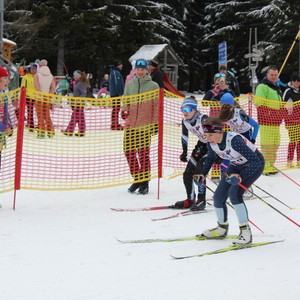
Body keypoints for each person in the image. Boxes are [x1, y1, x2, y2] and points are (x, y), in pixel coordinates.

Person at [194, 117, 264, 245]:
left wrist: (240, 177)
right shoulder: (211, 143)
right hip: (235, 165)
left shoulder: (234, 141)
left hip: (253, 165)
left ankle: (245, 232)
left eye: (210, 135)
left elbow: (256, 161)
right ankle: (221, 228)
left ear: (219, 131)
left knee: (234, 194)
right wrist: (202, 174)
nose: (208, 138)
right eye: (206, 135)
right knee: (218, 197)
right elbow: (210, 158)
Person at [121, 58, 159, 195]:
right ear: (135, 70)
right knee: (128, 151)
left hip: (145, 126)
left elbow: (156, 106)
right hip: (131, 125)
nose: (140, 71)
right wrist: (124, 110)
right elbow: (125, 99)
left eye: (143, 69)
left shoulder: (153, 86)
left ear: (146, 70)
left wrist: (155, 123)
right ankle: (137, 178)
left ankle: (145, 182)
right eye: (138, 69)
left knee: (143, 154)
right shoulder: (130, 85)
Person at [174, 97, 208, 210]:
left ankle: (201, 200)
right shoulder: (185, 121)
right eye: (182, 109)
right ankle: (191, 199)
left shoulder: (203, 119)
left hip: (213, 147)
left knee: (199, 172)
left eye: (187, 110)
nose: (184, 112)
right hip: (202, 145)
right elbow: (184, 137)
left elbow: (216, 134)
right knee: (187, 173)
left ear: (194, 110)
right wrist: (184, 152)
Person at [254, 65, 283, 175]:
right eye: (272, 75)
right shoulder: (263, 87)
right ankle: (265, 166)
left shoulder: (276, 87)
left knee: (275, 143)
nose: (274, 77)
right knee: (268, 144)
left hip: (276, 122)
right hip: (267, 121)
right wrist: (271, 113)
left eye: (276, 75)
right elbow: (259, 103)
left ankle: (271, 164)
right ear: (267, 75)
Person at [62, 70, 89, 137]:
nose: (73, 77)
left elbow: (83, 94)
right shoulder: (78, 83)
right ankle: (82, 131)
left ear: (78, 76)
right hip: (77, 103)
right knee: (80, 118)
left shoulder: (81, 84)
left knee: (74, 118)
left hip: (78, 104)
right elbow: (74, 87)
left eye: (74, 75)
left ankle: (69, 131)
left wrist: (77, 100)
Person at [34, 59, 56, 138]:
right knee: (47, 115)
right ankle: (51, 131)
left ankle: (42, 132)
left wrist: (40, 95)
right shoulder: (51, 76)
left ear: (39, 66)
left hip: (39, 98)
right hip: (47, 98)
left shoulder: (37, 75)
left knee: (40, 115)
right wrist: (49, 96)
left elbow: (37, 88)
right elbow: (53, 88)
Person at [282, 72, 300, 168]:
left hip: (299, 120)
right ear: (291, 81)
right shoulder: (288, 91)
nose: (296, 82)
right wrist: (286, 118)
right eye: (294, 80)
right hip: (291, 120)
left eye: (298, 81)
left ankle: (299, 160)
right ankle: (289, 160)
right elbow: (283, 104)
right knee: (293, 140)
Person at [0, 67, 13, 170]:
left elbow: (5, 114)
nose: (7, 81)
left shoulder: (3, 96)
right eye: (5, 78)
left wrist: (8, 125)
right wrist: (3, 128)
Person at [21, 63, 37, 131]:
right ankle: (31, 125)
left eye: (35, 69)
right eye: (32, 69)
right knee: (30, 111)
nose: (34, 70)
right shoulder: (25, 77)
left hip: (35, 96)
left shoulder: (35, 77)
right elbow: (23, 87)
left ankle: (30, 124)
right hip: (28, 97)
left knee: (32, 111)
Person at [109, 60, 124, 130]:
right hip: (115, 94)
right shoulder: (115, 72)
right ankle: (114, 124)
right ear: (118, 65)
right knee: (116, 108)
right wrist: (119, 93)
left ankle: (115, 123)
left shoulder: (117, 72)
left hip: (116, 93)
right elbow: (117, 83)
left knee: (116, 109)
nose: (122, 66)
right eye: (121, 64)